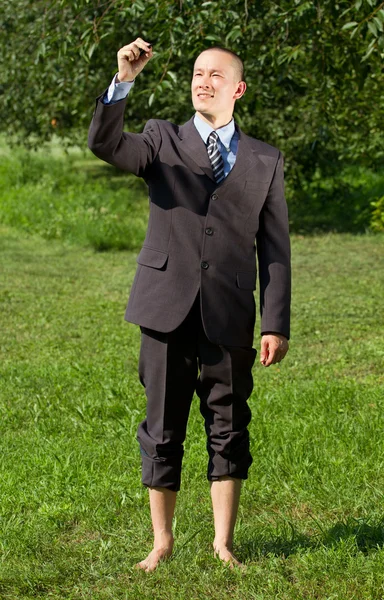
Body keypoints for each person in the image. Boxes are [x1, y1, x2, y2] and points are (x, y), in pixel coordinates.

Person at [88, 38, 291, 571]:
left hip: (229, 313)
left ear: (238, 89)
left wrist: (276, 321)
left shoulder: (266, 159)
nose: (203, 80)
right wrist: (123, 80)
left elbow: (275, 249)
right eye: (198, 73)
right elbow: (107, 145)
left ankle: (224, 541)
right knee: (162, 425)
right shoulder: (160, 139)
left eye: (216, 75)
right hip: (164, 306)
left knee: (229, 423)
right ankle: (162, 540)